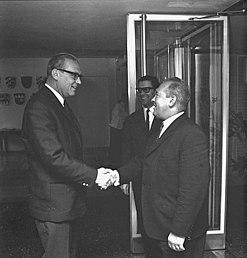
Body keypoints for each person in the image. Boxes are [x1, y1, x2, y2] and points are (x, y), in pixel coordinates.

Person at [21, 53, 116, 258]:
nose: (78, 81)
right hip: (54, 205)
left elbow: (69, 151)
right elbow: (53, 157)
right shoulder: (40, 107)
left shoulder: (58, 103)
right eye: (74, 76)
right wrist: (95, 175)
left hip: (65, 202)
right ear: (55, 73)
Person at [106, 77, 210, 258]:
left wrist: (179, 231)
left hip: (177, 232)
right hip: (159, 226)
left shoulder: (191, 135)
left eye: (158, 95)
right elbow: (142, 160)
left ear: (171, 101)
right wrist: (117, 175)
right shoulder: (160, 128)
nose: (153, 100)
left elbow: (193, 190)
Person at [120, 75, 162, 237]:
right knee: (145, 222)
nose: (142, 94)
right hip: (140, 179)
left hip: (162, 179)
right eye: (139, 90)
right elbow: (126, 150)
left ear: (156, 91)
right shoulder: (131, 120)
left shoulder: (166, 118)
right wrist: (124, 178)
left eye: (146, 90)